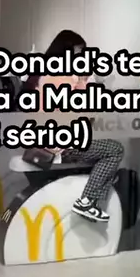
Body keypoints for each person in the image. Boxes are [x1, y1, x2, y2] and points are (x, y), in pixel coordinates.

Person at [32, 30, 124, 223]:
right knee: (115, 150)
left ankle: (94, 196)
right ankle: (87, 201)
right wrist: (83, 83)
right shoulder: (66, 79)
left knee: (104, 153)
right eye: (79, 52)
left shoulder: (47, 75)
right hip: (63, 146)